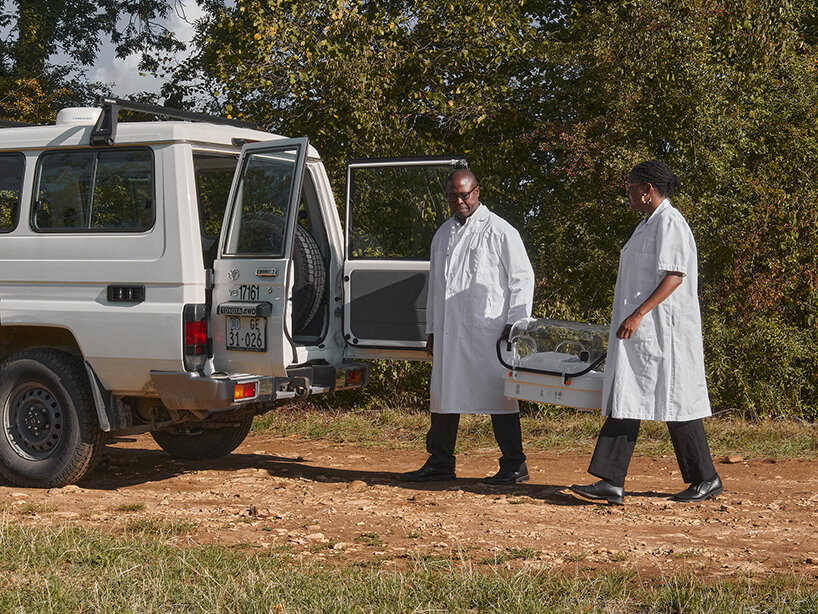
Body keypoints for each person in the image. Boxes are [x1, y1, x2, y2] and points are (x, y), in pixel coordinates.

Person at [570, 160, 722, 505]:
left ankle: (706, 478)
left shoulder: (670, 222)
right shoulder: (647, 225)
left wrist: (638, 314)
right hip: (641, 333)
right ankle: (611, 481)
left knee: (676, 402)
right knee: (628, 396)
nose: (627, 194)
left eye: (630, 189)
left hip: (663, 331)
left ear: (648, 190)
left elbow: (675, 275)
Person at [400, 169, 535, 485]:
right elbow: (437, 287)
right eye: (453, 195)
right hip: (450, 332)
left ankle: (515, 464)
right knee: (444, 394)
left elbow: (522, 279)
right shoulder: (443, 234)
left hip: (488, 331)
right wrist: (431, 329)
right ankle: (441, 461)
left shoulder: (501, 231)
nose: (460, 201)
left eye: (465, 194)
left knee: (499, 397)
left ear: (477, 191)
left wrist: (516, 322)